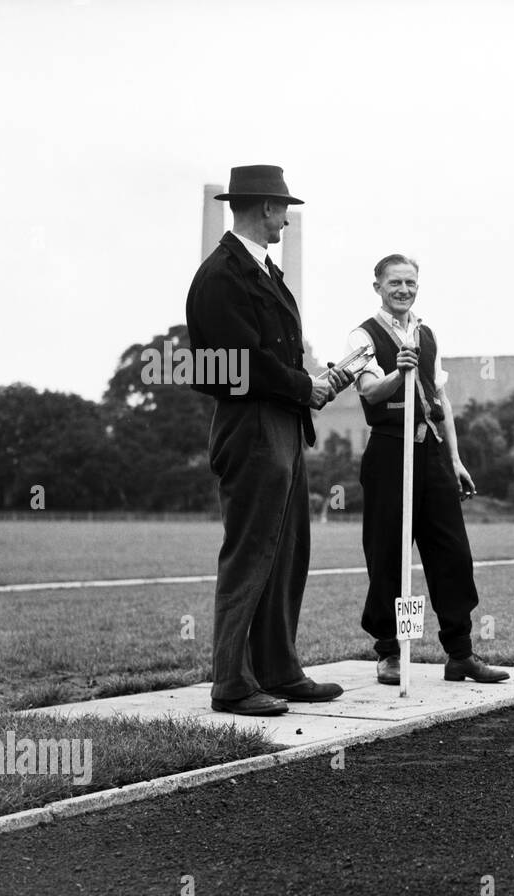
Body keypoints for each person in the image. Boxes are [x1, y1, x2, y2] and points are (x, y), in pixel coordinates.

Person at [186, 164, 351, 716]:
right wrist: (307, 387)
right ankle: (231, 682)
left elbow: (276, 354)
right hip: (251, 425)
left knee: (286, 553)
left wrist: (314, 382)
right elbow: (242, 364)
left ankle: (277, 668)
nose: (286, 217)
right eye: (283, 208)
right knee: (251, 553)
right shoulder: (222, 276)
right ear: (264, 208)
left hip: (280, 422)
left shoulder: (261, 271)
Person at [346, 254, 508, 686]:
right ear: (378, 286)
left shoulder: (426, 333)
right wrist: (397, 374)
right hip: (389, 451)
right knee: (389, 555)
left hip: (431, 452)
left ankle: (460, 653)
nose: (403, 289)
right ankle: (390, 651)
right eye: (394, 282)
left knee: (452, 553)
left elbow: (441, 401)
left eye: (410, 282)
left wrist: (455, 459)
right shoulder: (363, 336)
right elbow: (370, 392)